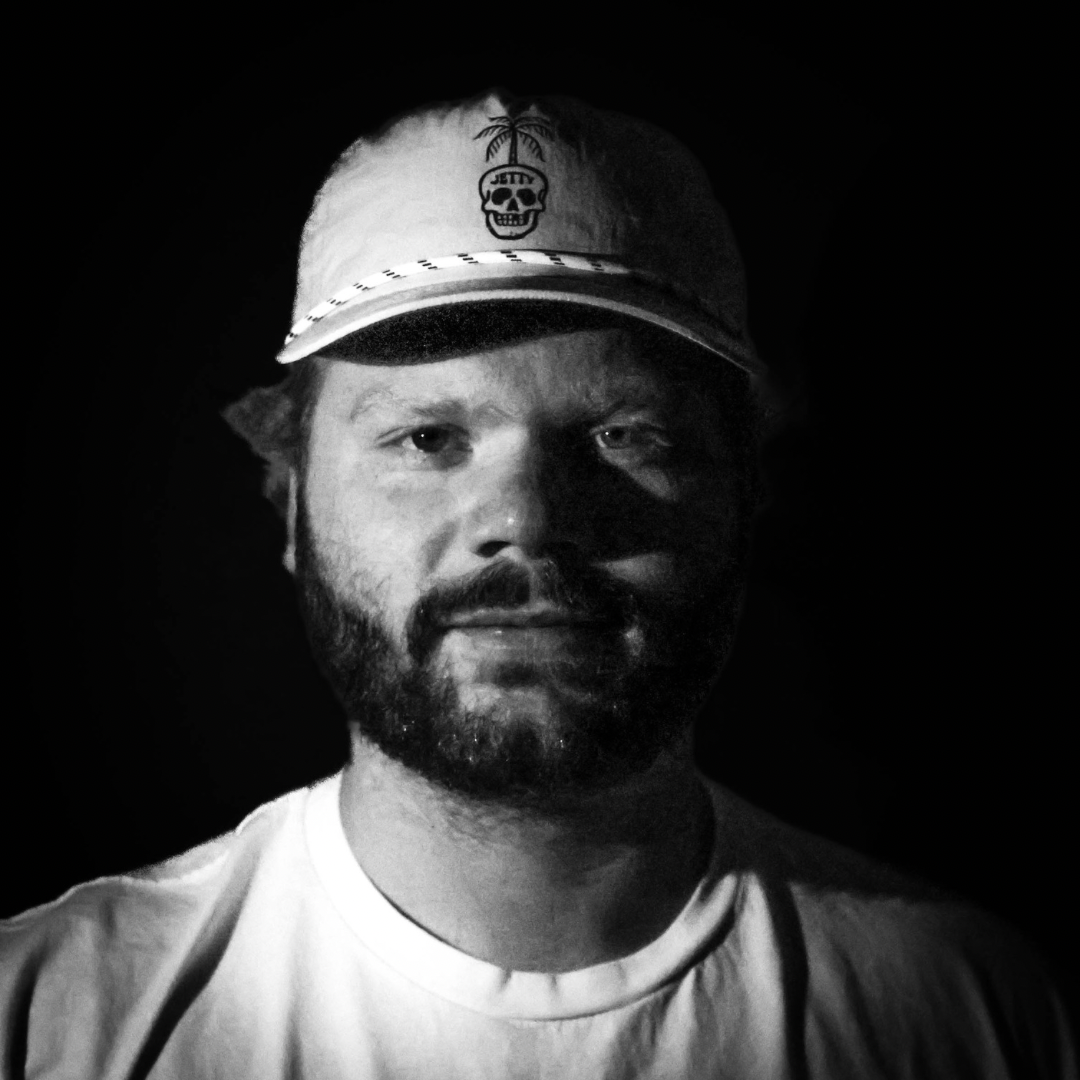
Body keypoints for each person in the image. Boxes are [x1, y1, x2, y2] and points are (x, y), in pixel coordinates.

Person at [1, 89, 1074, 1080]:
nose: (525, 522)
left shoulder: (970, 1012)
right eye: (427, 437)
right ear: (291, 504)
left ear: (747, 497)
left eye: (622, 435)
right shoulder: (45, 1019)